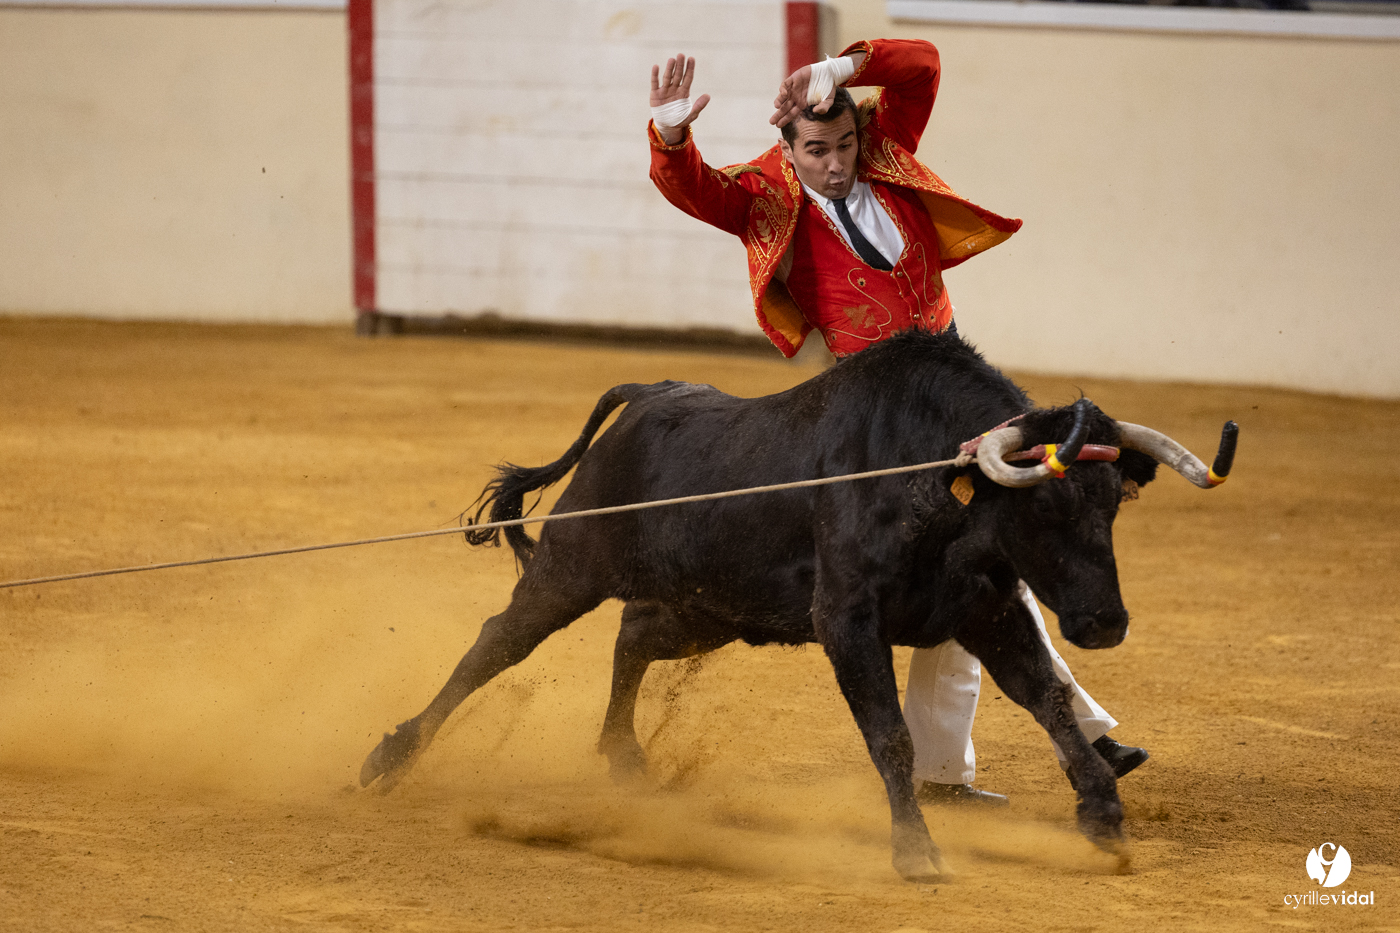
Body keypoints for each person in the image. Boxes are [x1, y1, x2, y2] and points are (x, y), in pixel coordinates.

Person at [645, 38, 1149, 805]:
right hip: (880, 424)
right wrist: (673, 138)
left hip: (957, 392)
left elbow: (922, 65)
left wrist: (842, 68)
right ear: (788, 148)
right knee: (971, 572)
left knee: (988, 561)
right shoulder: (768, 196)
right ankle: (1051, 745)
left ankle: (1025, 751)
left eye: (845, 143)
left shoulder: (887, 152)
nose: (837, 162)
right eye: (816, 150)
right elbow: (696, 192)